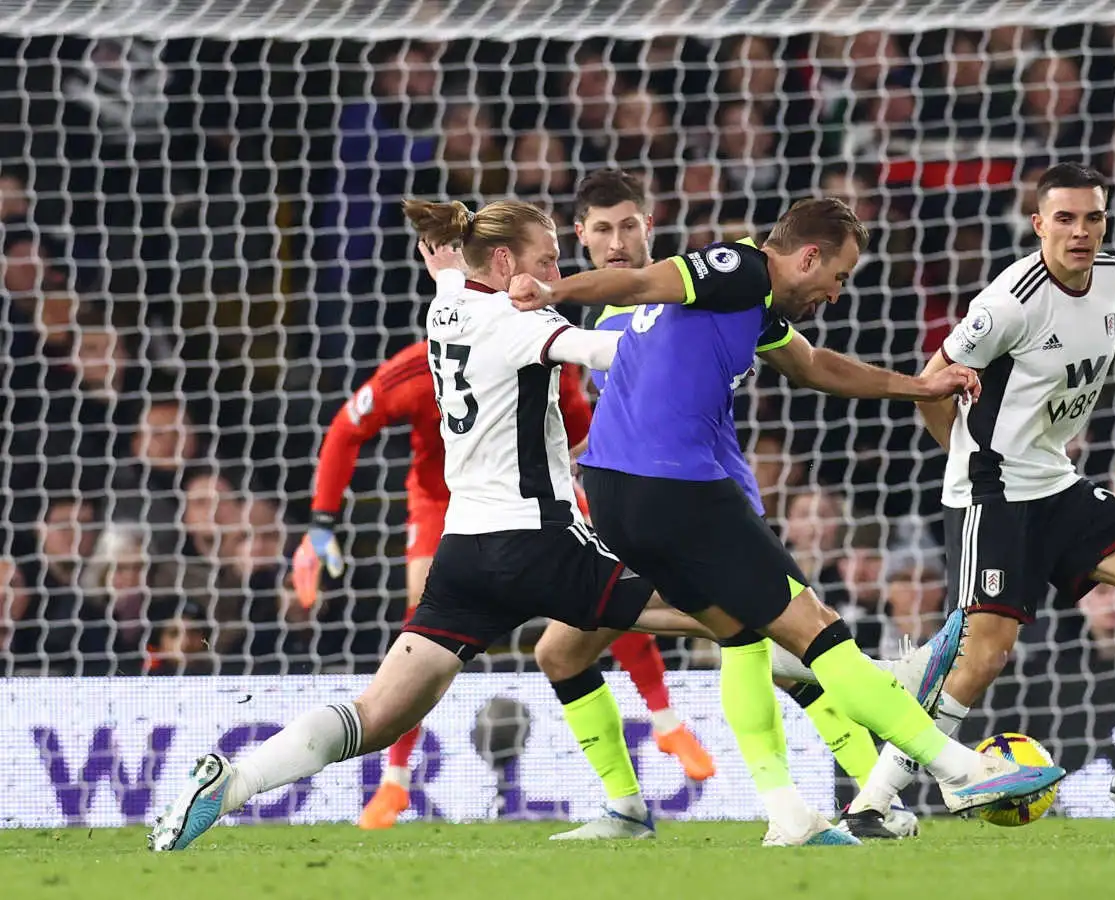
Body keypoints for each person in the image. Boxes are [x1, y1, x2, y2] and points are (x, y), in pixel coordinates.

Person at [148, 199, 711, 853]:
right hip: (539, 541)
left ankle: (234, 781)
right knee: (728, 606)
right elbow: (606, 350)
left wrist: (446, 263)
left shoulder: (445, 306)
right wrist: (707, 336)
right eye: (547, 259)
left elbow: (451, 277)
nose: (555, 272)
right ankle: (837, 696)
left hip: (465, 557)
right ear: (504, 262)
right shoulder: (519, 320)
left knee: (377, 715)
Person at [510, 196, 1067, 846]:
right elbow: (640, 280)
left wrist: (922, 386)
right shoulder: (739, 269)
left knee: (743, 639)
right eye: (840, 275)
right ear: (808, 256)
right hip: (676, 487)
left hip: (615, 490)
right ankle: (958, 768)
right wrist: (551, 289)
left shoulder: (752, 306)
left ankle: (788, 813)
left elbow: (813, 366)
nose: (837, 292)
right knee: (816, 631)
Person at [839, 162, 1115, 838]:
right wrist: (966, 460)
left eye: (1092, 218)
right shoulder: (1007, 304)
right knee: (984, 655)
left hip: (1056, 481)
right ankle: (872, 802)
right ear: (1038, 224)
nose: (1080, 232)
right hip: (994, 491)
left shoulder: (1114, 279)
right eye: (1066, 218)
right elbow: (932, 381)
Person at [532, 169, 905, 839]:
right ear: (580, 237)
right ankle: (627, 808)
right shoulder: (630, 311)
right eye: (602, 229)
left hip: (698, 504)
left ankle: (875, 796)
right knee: (562, 654)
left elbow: (811, 362)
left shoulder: (702, 292)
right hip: (640, 505)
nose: (617, 243)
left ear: (651, 227)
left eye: (629, 226)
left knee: (781, 641)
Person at [292, 338, 713, 830]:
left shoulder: (537, 353)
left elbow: (577, 431)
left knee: (610, 579)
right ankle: (396, 778)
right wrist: (321, 520)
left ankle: (665, 719)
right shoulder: (415, 370)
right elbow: (347, 427)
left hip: (531, 498)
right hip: (443, 502)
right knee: (422, 617)